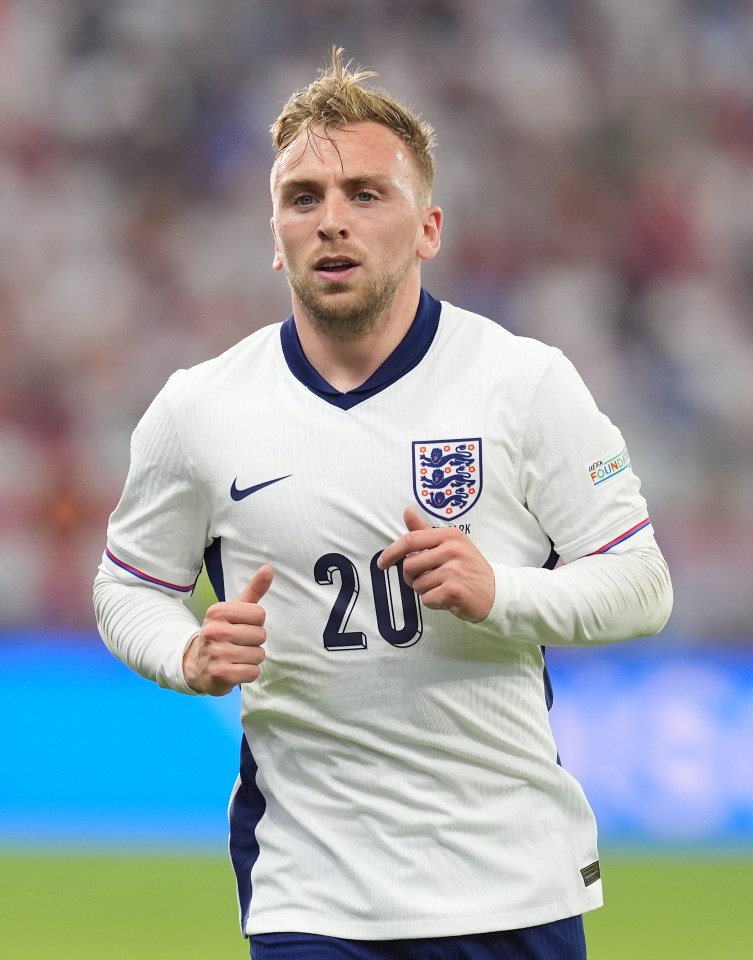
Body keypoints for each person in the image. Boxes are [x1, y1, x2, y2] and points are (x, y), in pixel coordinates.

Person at [93, 47, 673, 960]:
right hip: (312, 893)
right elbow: (125, 586)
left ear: (428, 226)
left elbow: (642, 585)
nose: (332, 222)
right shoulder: (198, 408)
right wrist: (187, 652)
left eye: (366, 194)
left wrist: (502, 593)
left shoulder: (524, 384)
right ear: (272, 231)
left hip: (509, 879)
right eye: (304, 198)